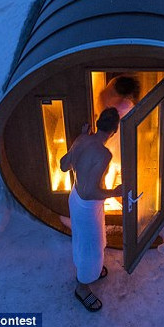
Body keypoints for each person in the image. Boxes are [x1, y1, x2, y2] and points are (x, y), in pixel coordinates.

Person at [59, 107, 123, 312]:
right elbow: (90, 191)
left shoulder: (82, 139)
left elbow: (63, 165)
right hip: (86, 205)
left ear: (97, 124)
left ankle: (91, 270)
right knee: (91, 247)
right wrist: (114, 193)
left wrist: (80, 138)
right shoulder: (104, 154)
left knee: (84, 239)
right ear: (114, 131)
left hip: (75, 198)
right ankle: (82, 287)